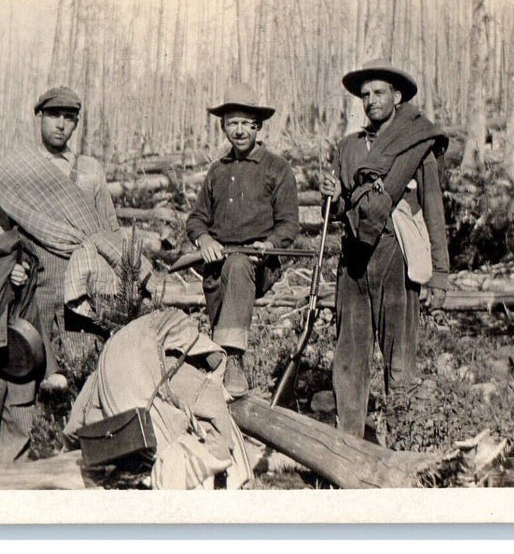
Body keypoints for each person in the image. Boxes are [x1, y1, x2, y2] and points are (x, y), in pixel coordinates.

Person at [0, 86, 121, 462]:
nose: (61, 125)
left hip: (80, 286)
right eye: (54, 116)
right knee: (21, 376)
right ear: (39, 117)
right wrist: (8, 267)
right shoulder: (21, 169)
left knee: (87, 375)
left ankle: (90, 465)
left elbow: (109, 230)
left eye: (70, 119)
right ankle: (7, 469)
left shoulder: (89, 171)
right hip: (32, 285)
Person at [318, 59, 450, 439]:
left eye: (378, 93)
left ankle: (404, 443)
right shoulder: (349, 147)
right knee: (350, 357)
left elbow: (434, 210)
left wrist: (439, 274)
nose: (371, 100)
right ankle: (350, 446)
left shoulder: (416, 146)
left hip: (397, 255)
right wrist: (334, 196)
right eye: (365, 95)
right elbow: (342, 209)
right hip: (355, 260)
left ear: (397, 97)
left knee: (400, 357)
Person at [185, 85, 300, 397]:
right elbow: (196, 219)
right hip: (218, 262)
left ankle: (233, 358)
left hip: (259, 263)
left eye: (246, 123)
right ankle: (218, 361)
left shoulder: (277, 168)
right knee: (220, 274)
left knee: (237, 265)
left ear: (257, 127)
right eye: (231, 123)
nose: (238, 130)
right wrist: (204, 239)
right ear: (224, 127)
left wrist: (270, 243)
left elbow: (289, 223)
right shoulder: (217, 171)